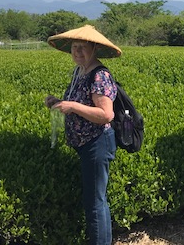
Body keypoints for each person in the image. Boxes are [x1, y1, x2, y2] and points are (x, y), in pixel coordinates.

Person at [44, 24, 120, 245]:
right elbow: (78, 102)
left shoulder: (100, 75)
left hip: (97, 143)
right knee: (93, 200)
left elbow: (106, 114)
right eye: (74, 47)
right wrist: (58, 103)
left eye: (82, 48)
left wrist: (73, 107)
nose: (77, 52)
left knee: (95, 202)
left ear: (94, 48)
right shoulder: (79, 71)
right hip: (85, 143)